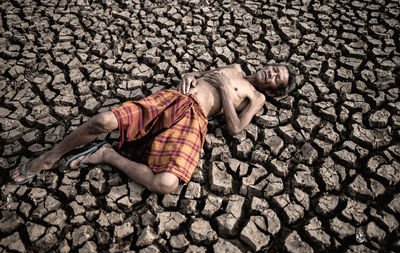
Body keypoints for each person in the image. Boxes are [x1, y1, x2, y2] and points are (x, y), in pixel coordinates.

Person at [11, 63, 296, 194]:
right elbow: (200, 74)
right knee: (102, 121)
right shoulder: (234, 66)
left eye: (276, 79)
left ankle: (108, 155)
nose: (271, 73)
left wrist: (223, 89)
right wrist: (190, 74)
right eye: (275, 68)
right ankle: (49, 157)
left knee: (167, 184)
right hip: (176, 99)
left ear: (272, 91)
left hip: (196, 120)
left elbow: (235, 128)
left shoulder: (256, 97)